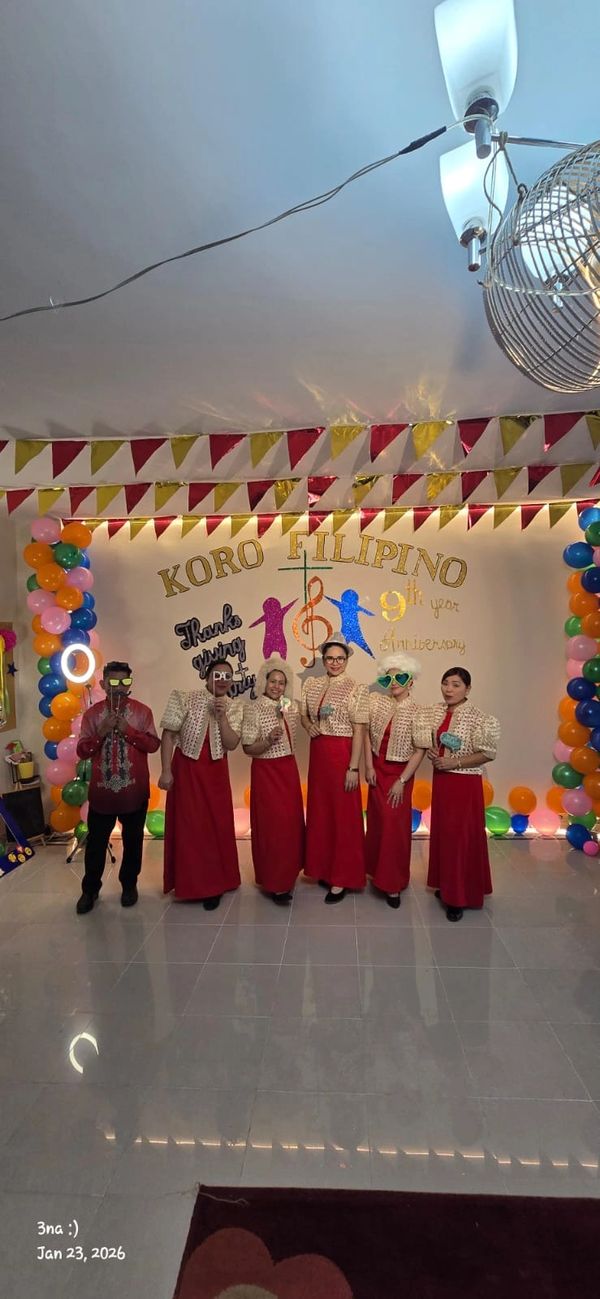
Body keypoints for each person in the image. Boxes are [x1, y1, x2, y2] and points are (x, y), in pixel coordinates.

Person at [75, 661, 160, 914]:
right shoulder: (92, 715)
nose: (120, 687)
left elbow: (153, 745)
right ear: (103, 684)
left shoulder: (142, 712)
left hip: (134, 792)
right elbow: (82, 751)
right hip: (102, 795)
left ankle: (129, 886)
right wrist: (101, 732)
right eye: (113, 682)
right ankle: (90, 890)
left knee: (133, 842)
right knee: (96, 845)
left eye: (125, 682)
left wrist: (128, 730)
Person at [159, 660, 243, 909]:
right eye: (217, 675)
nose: (222, 680)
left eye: (227, 676)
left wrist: (222, 717)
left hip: (216, 772)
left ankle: (215, 884)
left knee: (216, 825)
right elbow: (168, 735)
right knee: (190, 826)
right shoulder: (185, 698)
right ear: (207, 677)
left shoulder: (235, 706)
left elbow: (231, 744)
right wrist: (166, 771)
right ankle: (191, 883)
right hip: (187, 770)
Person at [426, 667, 500, 922]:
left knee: (460, 839)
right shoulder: (437, 712)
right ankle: (447, 885)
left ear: (468, 689)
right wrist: (434, 752)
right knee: (445, 836)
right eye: (445, 683)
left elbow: (488, 753)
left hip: (464, 785)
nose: (449, 689)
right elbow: (436, 743)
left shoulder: (479, 717)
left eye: (456, 685)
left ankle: (458, 897)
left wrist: (454, 763)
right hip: (442, 781)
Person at [300, 633, 368, 903]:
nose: (335, 663)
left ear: (347, 659)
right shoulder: (312, 684)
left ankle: (342, 876)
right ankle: (323, 869)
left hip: (342, 755)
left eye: (340, 658)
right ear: (324, 659)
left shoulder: (356, 688)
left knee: (343, 817)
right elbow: (303, 714)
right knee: (321, 813)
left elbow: (359, 730)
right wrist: (309, 725)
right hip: (318, 756)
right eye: (330, 658)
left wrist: (353, 768)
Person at [364, 653, 428, 908]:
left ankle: (393, 883)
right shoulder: (377, 703)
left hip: (400, 774)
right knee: (377, 825)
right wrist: (369, 765)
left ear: (410, 681)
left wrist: (402, 780)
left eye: (400, 677)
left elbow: (420, 750)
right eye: (388, 678)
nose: (393, 683)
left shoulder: (418, 712)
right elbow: (366, 734)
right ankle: (375, 873)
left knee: (395, 830)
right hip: (377, 771)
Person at [242, 656, 304, 905]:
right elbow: (248, 748)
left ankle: (288, 874)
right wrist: (268, 740)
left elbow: (308, 716)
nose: (277, 686)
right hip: (267, 773)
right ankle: (275, 882)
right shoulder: (253, 708)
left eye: (281, 682)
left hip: (288, 769)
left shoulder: (290, 706)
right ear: (264, 682)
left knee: (290, 825)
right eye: (273, 681)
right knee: (272, 827)